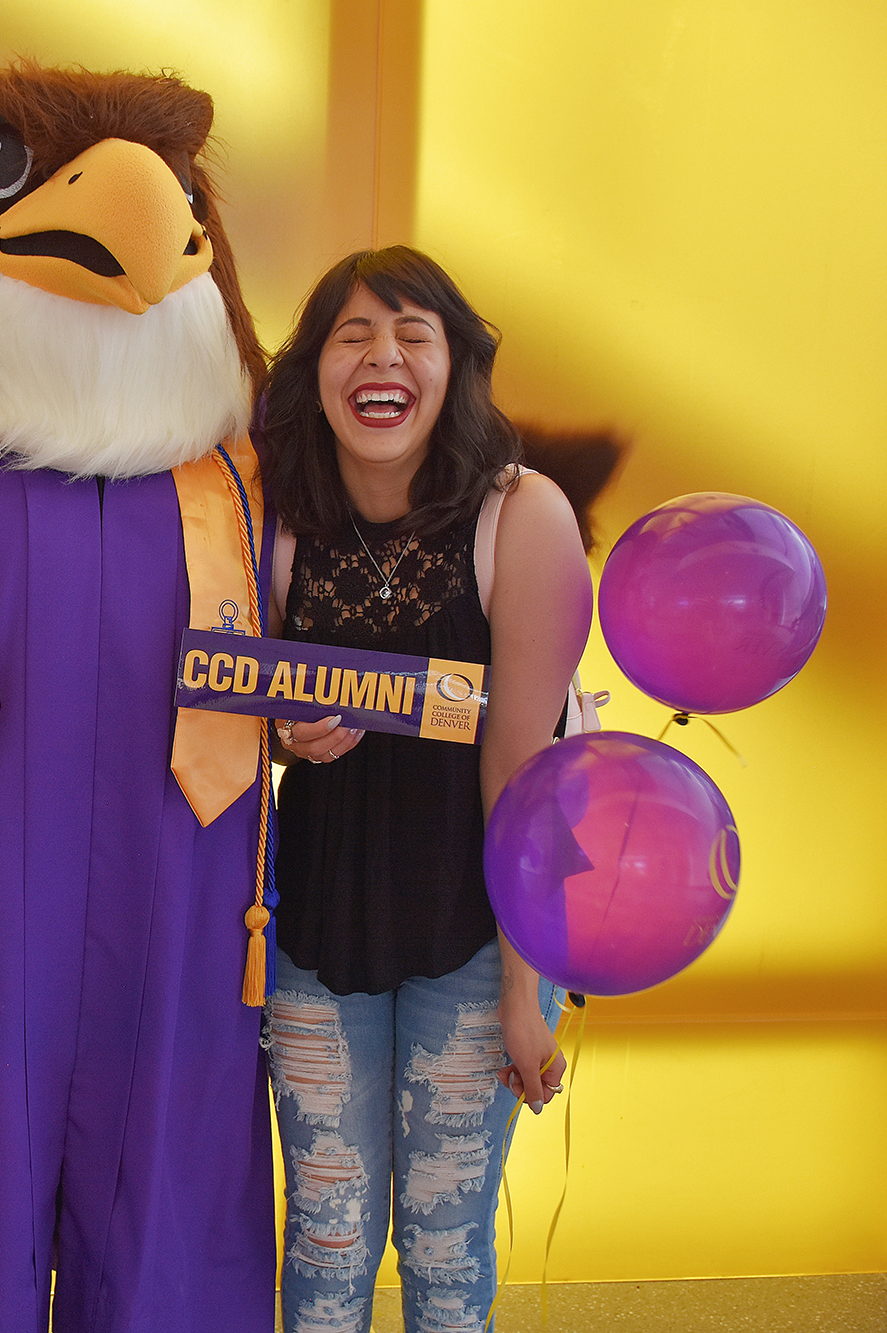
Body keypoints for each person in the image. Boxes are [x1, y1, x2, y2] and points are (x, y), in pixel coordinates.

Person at [258, 246, 593, 1333]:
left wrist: (520, 987)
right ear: (314, 369)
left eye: (411, 332)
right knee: (323, 1233)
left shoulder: (520, 517)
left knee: (445, 1251)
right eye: (351, 334)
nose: (381, 355)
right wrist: (283, 732)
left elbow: (523, 770)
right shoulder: (273, 519)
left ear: (453, 365)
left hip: (472, 937)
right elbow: (228, 708)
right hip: (313, 933)